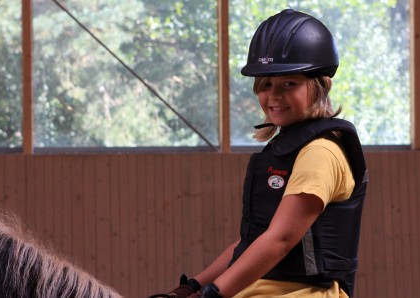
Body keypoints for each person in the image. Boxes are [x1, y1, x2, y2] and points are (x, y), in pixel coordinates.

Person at [149, 8, 367, 298]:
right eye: (266, 85)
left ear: (320, 84)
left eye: (289, 83)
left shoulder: (321, 152)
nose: (274, 95)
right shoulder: (288, 149)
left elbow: (280, 240)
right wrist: (191, 287)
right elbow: (250, 244)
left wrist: (210, 296)